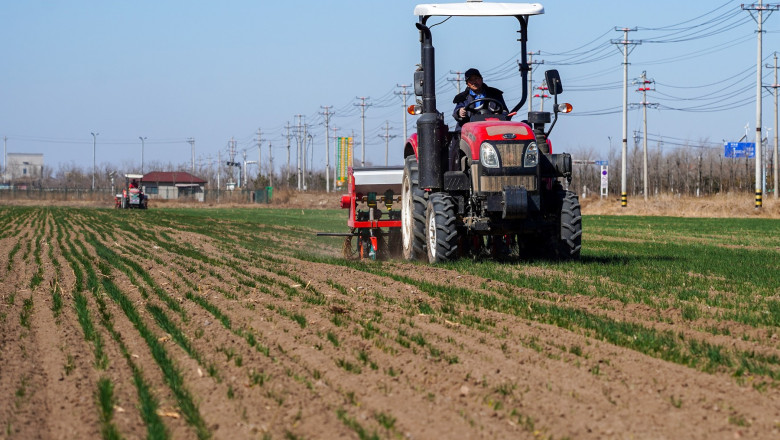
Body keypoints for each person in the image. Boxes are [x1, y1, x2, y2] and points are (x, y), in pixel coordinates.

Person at [449, 68, 508, 170]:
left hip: (492, 129)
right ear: (467, 84)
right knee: (456, 142)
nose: (474, 82)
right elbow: (456, 112)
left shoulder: (495, 94)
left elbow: (505, 111)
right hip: (469, 131)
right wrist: (460, 112)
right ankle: (456, 172)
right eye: (471, 80)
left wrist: (501, 113)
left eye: (476, 78)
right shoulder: (462, 98)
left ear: (481, 79)